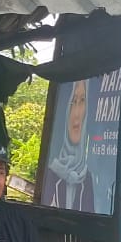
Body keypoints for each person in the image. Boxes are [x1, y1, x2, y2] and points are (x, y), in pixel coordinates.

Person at [45, 78, 95, 212]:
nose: (76, 114)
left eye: (83, 100)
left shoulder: (86, 178)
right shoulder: (51, 173)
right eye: (73, 102)